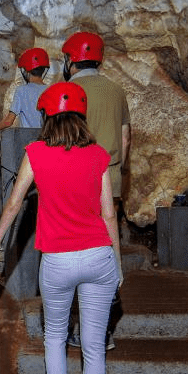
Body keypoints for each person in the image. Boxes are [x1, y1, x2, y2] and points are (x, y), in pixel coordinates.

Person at [0, 82, 121, 374]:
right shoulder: (97, 155)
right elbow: (109, 213)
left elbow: (14, 205)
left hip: (58, 261)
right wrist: (118, 264)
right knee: (94, 349)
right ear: (81, 115)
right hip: (98, 255)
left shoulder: (35, 152)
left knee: (55, 340)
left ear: (46, 114)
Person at [61, 31, 131, 239]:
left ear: (71, 59)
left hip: (77, 171)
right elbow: (125, 137)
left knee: (79, 233)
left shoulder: (67, 90)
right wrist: (119, 167)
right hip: (111, 169)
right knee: (107, 230)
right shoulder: (117, 91)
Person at [0, 47, 49, 134]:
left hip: (28, 141)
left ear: (26, 71)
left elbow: (8, 122)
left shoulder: (22, 90)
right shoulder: (51, 89)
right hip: (46, 141)